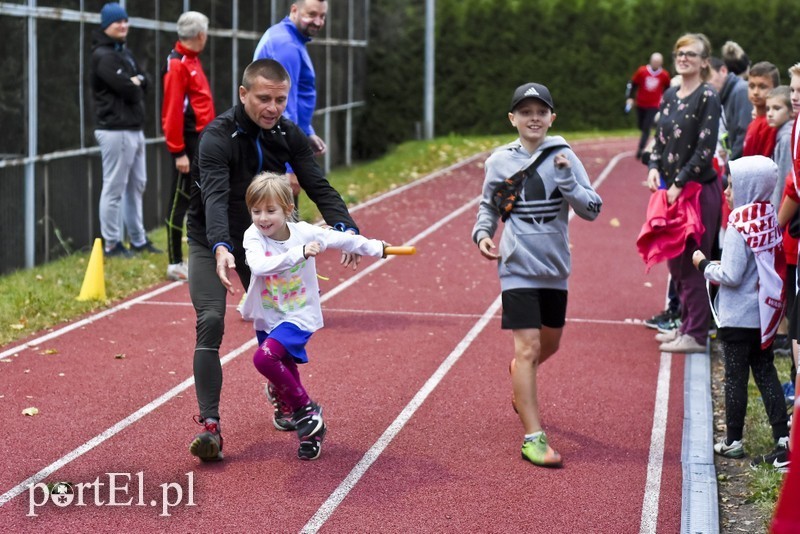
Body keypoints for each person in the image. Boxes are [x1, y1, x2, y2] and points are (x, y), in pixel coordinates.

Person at [186, 59, 361, 462]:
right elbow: (213, 197)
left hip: (263, 242)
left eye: (280, 100)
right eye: (264, 98)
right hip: (212, 240)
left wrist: (345, 229)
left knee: (279, 327)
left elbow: (317, 184)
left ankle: (287, 401)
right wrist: (220, 247)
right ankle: (210, 427)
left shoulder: (287, 133)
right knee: (210, 320)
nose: (273, 108)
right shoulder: (216, 138)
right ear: (243, 94)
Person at [472, 82, 602, 467]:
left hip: (555, 267)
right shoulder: (498, 161)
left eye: (540, 111)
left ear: (551, 118)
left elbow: (592, 208)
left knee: (550, 344)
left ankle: (519, 376)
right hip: (515, 267)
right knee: (526, 349)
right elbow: (488, 206)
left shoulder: (564, 155)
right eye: (525, 112)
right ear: (512, 118)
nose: (533, 118)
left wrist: (568, 183)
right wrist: (481, 234)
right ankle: (533, 437)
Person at [240, 172, 388, 460]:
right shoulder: (253, 236)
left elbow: (340, 240)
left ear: (287, 209)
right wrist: (300, 254)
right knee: (284, 365)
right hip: (268, 315)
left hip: (298, 314)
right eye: (256, 211)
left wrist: (376, 247)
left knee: (264, 358)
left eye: (270, 210)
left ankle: (306, 411)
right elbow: (258, 266)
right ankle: (310, 431)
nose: (262, 218)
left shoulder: (305, 232)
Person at [693, 155, 790, 472]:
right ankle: (782, 437)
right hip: (762, 316)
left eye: (733, 185)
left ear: (748, 187)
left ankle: (733, 440)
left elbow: (731, 274)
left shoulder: (738, 224)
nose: (727, 192)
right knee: (766, 373)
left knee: (735, 378)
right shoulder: (768, 216)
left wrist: (704, 265)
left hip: (736, 317)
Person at [647, 33, 721, 353]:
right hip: (670, 190)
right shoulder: (669, 95)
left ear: (704, 61)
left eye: (691, 53)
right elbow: (659, 138)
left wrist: (678, 183)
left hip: (696, 190)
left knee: (692, 259)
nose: (683, 57)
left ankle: (697, 335)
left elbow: (705, 148)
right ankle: (685, 326)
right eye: (679, 52)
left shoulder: (708, 96)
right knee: (674, 262)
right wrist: (653, 166)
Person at [91, 3, 161, 257]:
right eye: (116, 22)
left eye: (124, 21)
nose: (122, 25)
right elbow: (130, 90)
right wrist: (136, 83)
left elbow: (146, 81)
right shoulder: (103, 55)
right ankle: (111, 243)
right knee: (114, 187)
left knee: (137, 185)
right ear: (105, 26)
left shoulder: (124, 52)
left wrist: (138, 80)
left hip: (133, 128)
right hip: (115, 130)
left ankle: (138, 240)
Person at [253, 0, 328, 204]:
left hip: (277, 143)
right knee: (281, 225)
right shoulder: (286, 45)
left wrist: (307, 131)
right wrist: (290, 168)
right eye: (312, 14)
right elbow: (282, 108)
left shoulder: (292, 40)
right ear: (294, 10)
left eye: (322, 16)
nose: (318, 22)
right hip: (274, 148)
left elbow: (295, 98)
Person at [161, 11, 216, 281]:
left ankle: (202, 253)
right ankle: (173, 261)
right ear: (200, 35)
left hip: (202, 141)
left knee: (200, 197)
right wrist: (178, 151)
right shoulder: (177, 64)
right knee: (178, 201)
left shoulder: (192, 60)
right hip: (187, 144)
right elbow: (172, 111)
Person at [626, 53, 672, 160]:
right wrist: (630, 97)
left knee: (646, 127)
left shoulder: (664, 74)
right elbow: (633, 84)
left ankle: (641, 149)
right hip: (641, 103)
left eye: (658, 62)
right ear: (651, 61)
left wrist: (665, 100)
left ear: (661, 63)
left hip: (654, 105)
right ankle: (644, 134)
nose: (656, 63)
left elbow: (668, 88)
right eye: (654, 61)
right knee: (641, 125)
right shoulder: (642, 71)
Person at [708, 57, 753, 162]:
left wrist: (731, 166)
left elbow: (744, 133)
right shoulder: (725, 95)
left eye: (709, 76)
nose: (706, 82)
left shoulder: (741, 90)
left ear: (723, 71)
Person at [742, 61, 781, 158]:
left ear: (775, 89)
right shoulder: (754, 122)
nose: (755, 92)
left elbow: (764, 162)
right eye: (751, 86)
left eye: (762, 87)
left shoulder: (770, 124)